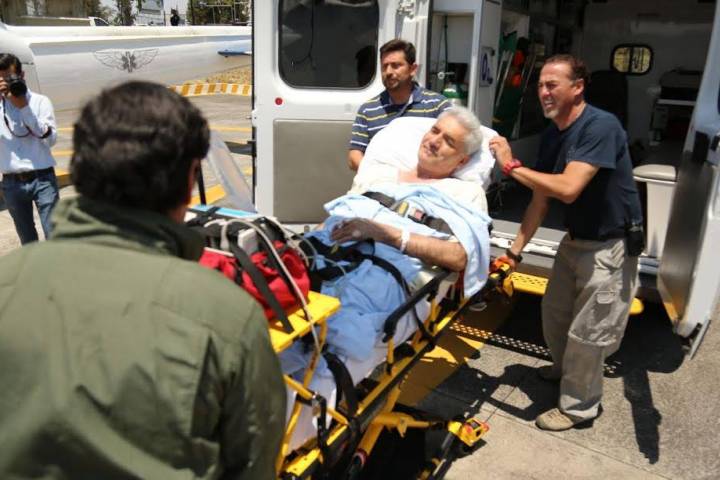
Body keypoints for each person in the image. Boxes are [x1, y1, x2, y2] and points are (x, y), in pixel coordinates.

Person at [0, 81, 286, 479]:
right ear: (190, 179)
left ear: (79, 170)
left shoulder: (9, 282)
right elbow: (253, 464)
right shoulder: (226, 317)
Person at [489, 55, 643, 431]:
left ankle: (578, 408)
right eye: (540, 85)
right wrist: (514, 252)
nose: (543, 92)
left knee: (588, 334)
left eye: (552, 85)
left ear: (577, 87)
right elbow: (540, 200)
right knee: (555, 315)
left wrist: (510, 166)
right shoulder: (553, 134)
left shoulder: (601, 126)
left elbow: (569, 189)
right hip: (574, 241)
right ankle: (563, 369)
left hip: (608, 247)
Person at [347, 39, 451, 171]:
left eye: (395, 65)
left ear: (413, 69)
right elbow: (354, 157)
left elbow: (457, 142)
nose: (388, 71)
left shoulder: (437, 105)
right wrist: (380, 175)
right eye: (384, 66)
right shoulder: (368, 110)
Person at [0, 52, 60, 244]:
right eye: (1, 80)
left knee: (54, 236)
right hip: (11, 183)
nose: (6, 84)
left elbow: (51, 140)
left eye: (10, 78)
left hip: (43, 179)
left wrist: (24, 108)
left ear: (22, 75)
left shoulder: (40, 101)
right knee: (27, 241)